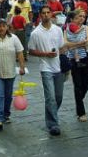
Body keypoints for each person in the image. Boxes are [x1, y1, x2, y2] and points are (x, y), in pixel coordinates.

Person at [28, 7, 66, 136]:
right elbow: (31, 51)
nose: (46, 15)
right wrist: (45, 54)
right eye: (43, 13)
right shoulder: (35, 33)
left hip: (58, 67)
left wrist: (62, 58)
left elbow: (61, 47)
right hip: (45, 68)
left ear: (51, 14)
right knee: (50, 97)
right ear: (40, 15)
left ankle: (51, 114)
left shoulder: (58, 30)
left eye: (48, 12)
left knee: (58, 97)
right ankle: (53, 124)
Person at [0, 18, 26, 130]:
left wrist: (22, 67)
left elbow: (20, 53)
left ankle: (6, 114)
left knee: (8, 96)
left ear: (7, 27)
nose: (1, 28)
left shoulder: (14, 38)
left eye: (3, 26)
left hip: (10, 72)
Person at [64, 9, 88, 122]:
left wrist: (73, 45)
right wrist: (79, 44)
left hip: (84, 58)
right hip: (72, 59)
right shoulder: (67, 29)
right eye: (79, 16)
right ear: (73, 18)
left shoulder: (85, 28)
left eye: (84, 16)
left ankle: (79, 99)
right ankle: (81, 112)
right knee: (78, 85)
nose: (82, 18)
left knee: (86, 84)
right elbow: (65, 44)